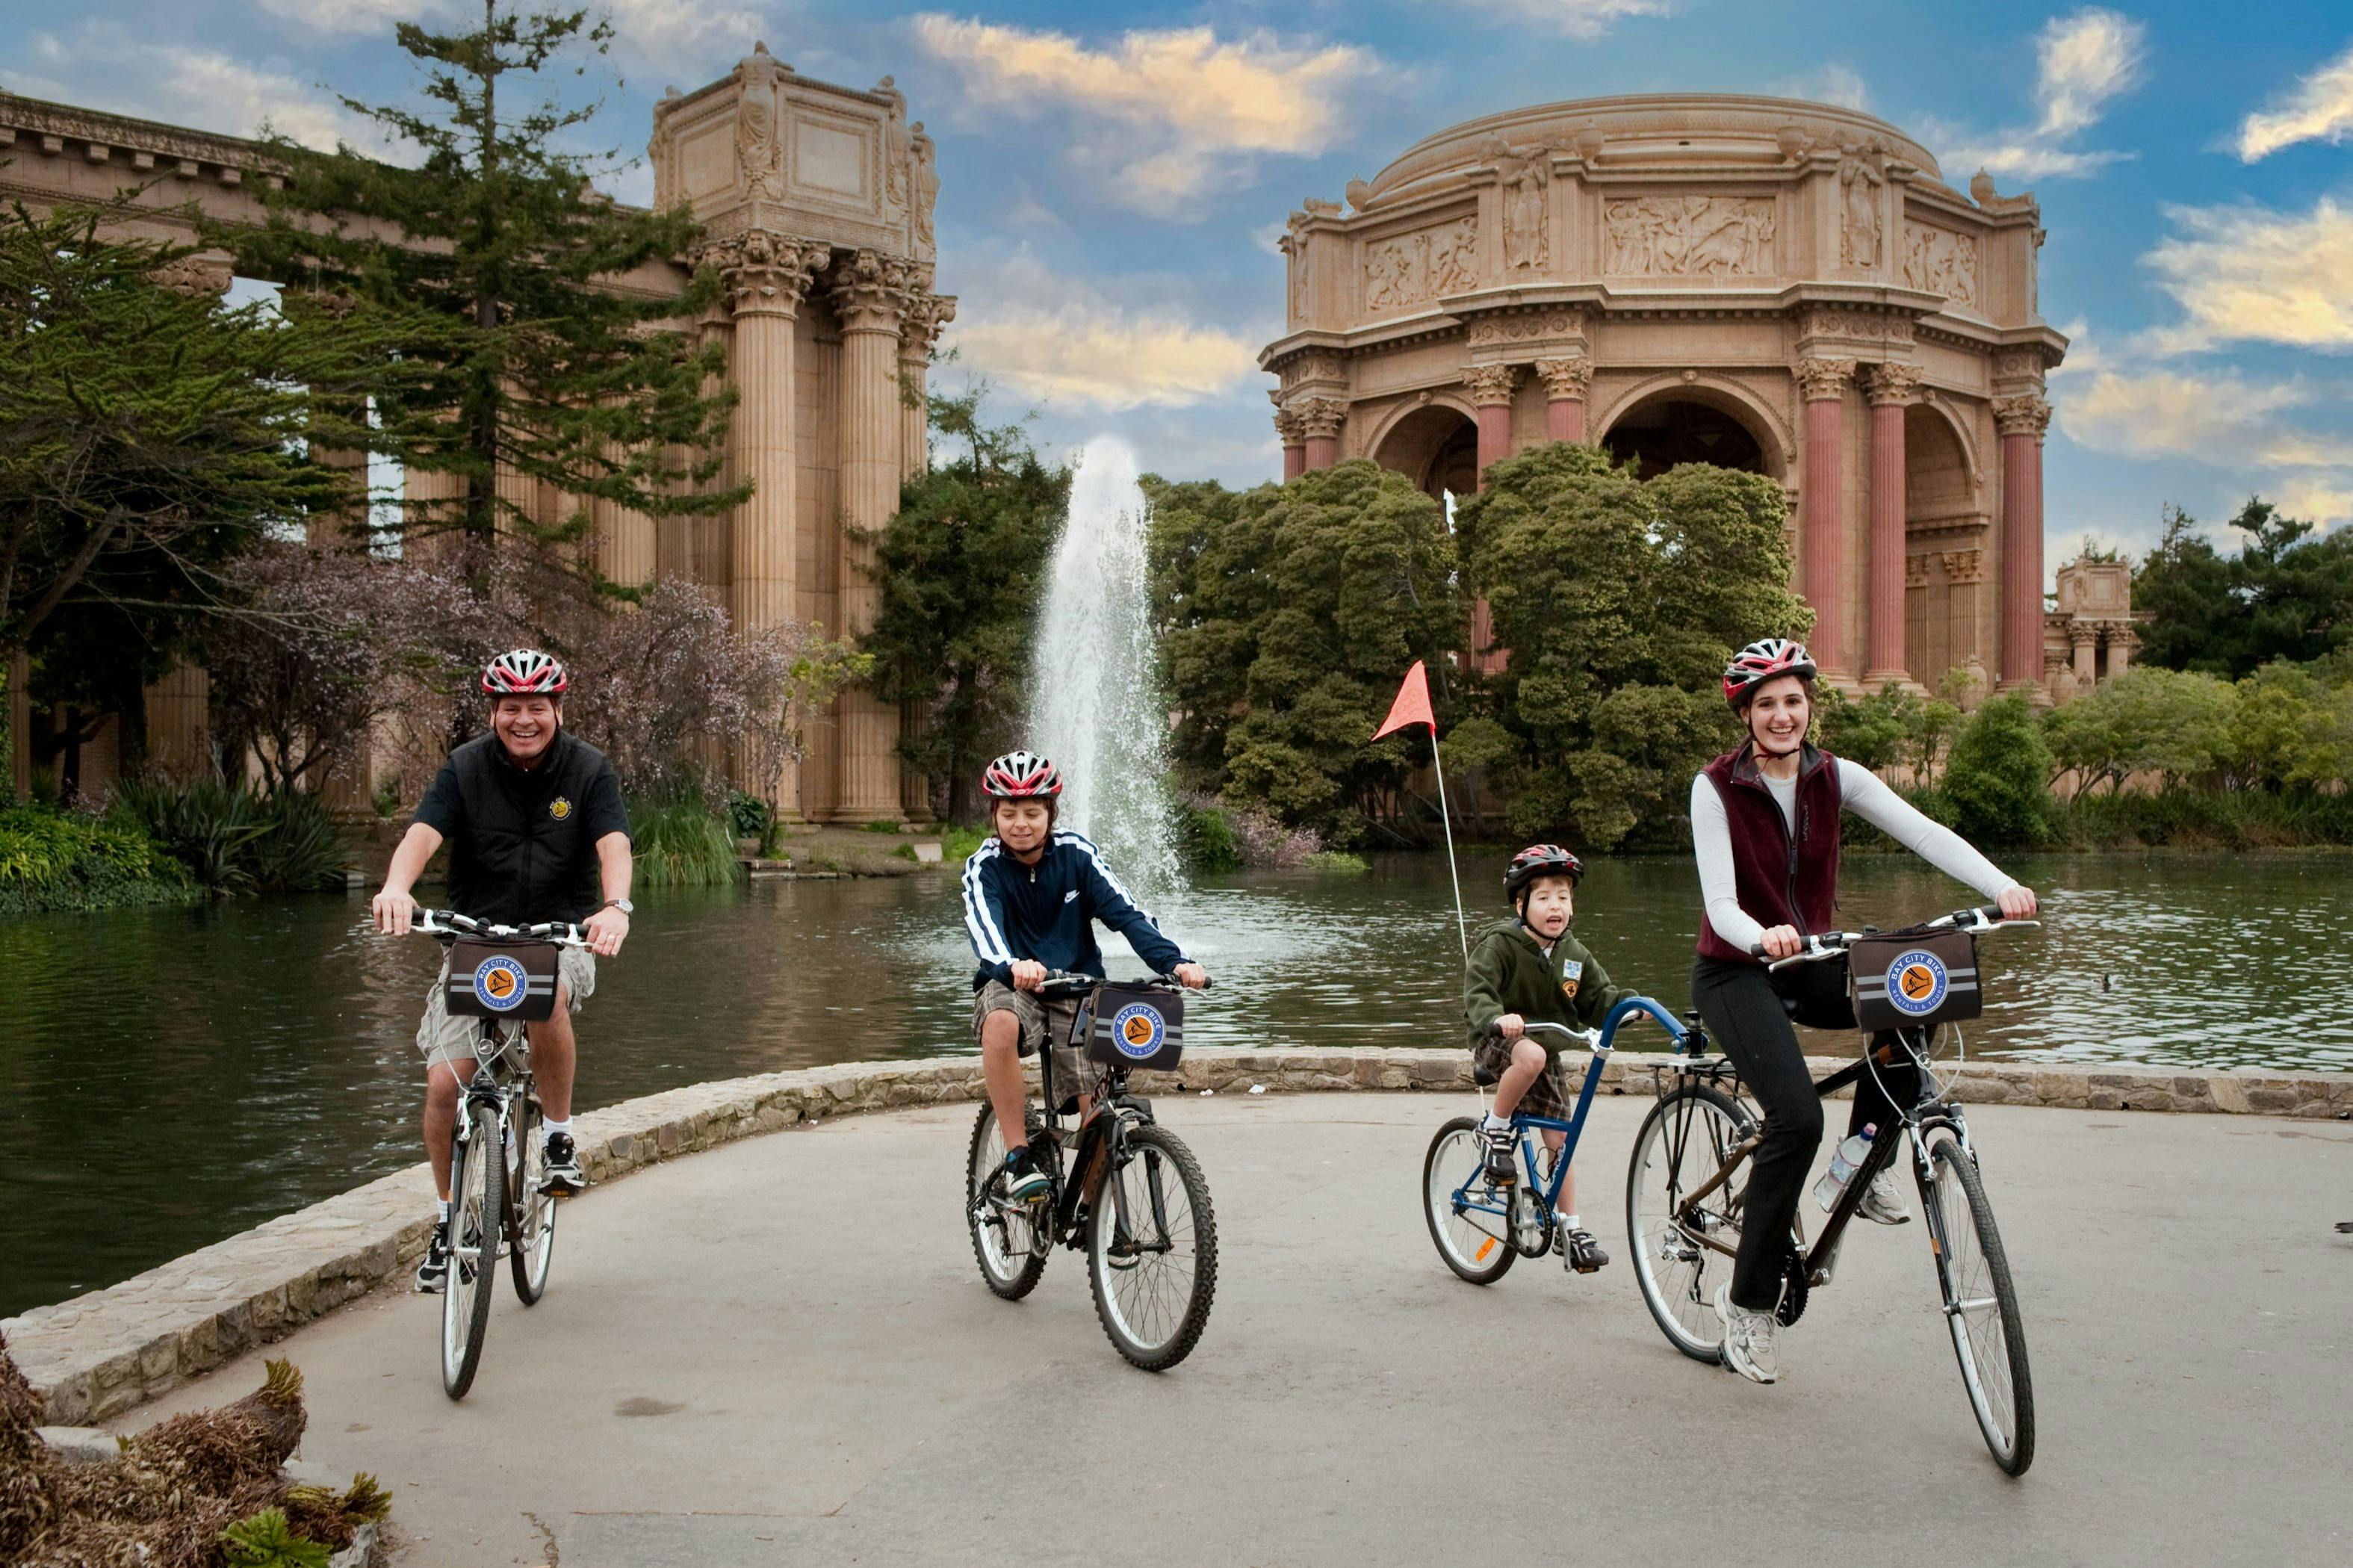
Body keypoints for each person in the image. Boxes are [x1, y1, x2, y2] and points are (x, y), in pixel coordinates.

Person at [1691, 637, 2037, 1384]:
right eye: (1766, 703)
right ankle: (1747, 1306)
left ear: (1809, 705)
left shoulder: (1833, 775)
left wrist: (2002, 885)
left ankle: (1860, 1163)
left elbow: (1923, 831)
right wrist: (1764, 934)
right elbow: (1721, 904)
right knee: (1796, 1119)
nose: (1782, 714)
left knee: (1919, 983)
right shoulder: (1715, 786)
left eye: (1793, 699)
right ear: (1745, 713)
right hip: (1737, 968)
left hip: (1812, 957)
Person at [371, 649, 633, 1292]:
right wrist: (397, 888)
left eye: (536, 708)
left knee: (546, 995)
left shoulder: (588, 769)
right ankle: (444, 1221)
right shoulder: (464, 768)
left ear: (557, 711)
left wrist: (615, 907)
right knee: (443, 1086)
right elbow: (422, 834)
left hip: (560, 932)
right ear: (494, 712)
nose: (524, 719)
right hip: (476, 940)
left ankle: (559, 1139)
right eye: (511, 708)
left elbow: (614, 845)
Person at [961, 750, 1208, 1202]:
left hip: (1079, 989)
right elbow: (985, 929)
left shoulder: (1078, 856)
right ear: (994, 815)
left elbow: (1128, 915)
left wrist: (1175, 961)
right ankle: (1018, 1157)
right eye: (1010, 812)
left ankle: (1095, 1210)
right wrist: (1012, 964)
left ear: (1050, 814)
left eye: (1033, 813)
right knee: (1000, 1023)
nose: (1021, 823)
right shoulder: (985, 867)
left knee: (1101, 1108)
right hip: (1016, 985)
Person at [1463, 844, 1623, 1273]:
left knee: (1560, 1140)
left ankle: (1571, 1228)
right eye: (1544, 897)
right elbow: (1477, 992)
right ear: (1522, 904)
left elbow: (1599, 998)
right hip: (1496, 1038)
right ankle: (1494, 1129)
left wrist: (1629, 1006)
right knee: (1530, 1055)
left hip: (1542, 1049)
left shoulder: (1573, 954)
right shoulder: (1500, 944)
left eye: (1564, 896)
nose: (1556, 906)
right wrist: (1497, 1017)